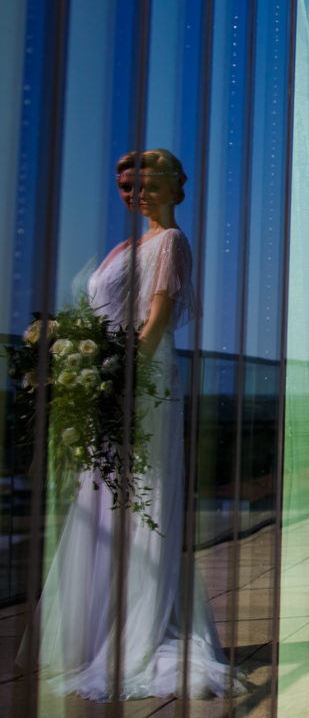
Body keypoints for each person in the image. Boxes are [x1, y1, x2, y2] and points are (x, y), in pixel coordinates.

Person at [34, 149, 234, 700]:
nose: (137, 193)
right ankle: (99, 629)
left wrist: (122, 382)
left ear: (174, 187)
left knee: (139, 498)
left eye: (148, 183)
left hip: (141, 383)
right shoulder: (127, 246)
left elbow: (157, 319)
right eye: (128, 185)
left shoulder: (170, 242)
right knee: (101, 500)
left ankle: (141, 629)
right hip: (114, 380)